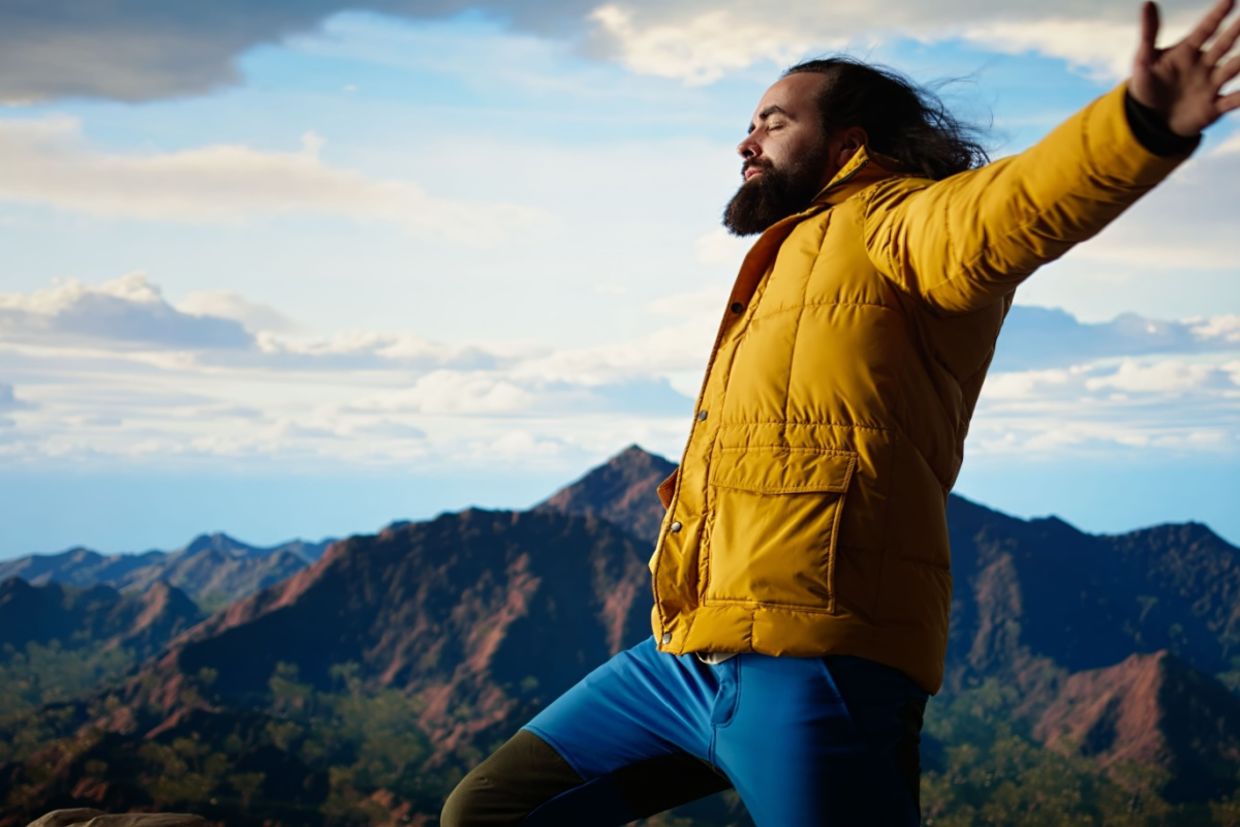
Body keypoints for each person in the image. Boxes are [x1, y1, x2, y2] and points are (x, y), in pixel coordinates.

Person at [442, 1, 1240, 824]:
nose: (746, 142)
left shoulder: (902, 223)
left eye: (773, 122)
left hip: (821, 668)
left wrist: (1138, 124)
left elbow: (1012, 208)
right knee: (487, 808)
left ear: (848, 142)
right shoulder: (791, 253)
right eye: (748, 123)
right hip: (689, 657)